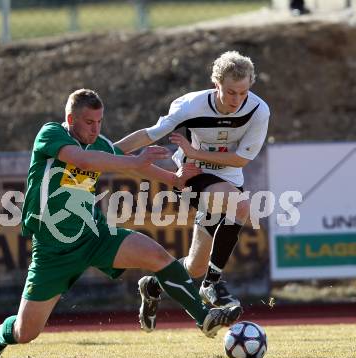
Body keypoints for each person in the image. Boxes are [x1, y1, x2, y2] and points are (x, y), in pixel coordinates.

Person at [0, 89, 242, 358]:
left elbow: (130, 166)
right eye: (89, 122)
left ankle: (204, 319)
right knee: (25, 331)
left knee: (158, 257)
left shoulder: (100, 144)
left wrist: (173, 179)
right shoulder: (52, 134)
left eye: (100, 121)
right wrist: (134, 160)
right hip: (53, 250)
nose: (95, 128)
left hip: (95, 236)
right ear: (71, 118)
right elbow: (84, 160)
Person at [116, 51, 270, 332]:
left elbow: (241, 160)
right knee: (241, 206)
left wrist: (194, 149)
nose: (237, 100)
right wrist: (106, 154)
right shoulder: (190, 106)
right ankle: (212, 285)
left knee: (195, 266)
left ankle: (153, 286)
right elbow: (150, 134)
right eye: (230, 92)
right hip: (193, 175)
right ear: (216, 85)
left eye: (243, 92)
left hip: (228, 176)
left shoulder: (258, 111)